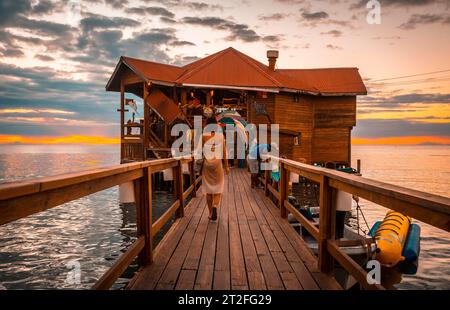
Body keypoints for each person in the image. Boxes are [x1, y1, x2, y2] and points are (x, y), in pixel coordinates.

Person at [202, 117, 230, 221]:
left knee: (208, 190)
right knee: (218, 188)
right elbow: (224, 153)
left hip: (207, 164)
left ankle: (210, 214)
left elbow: (199, 152)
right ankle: (215, 206)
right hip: (217, 163)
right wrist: (226, 166)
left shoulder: (203, 136)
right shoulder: (220, 136)